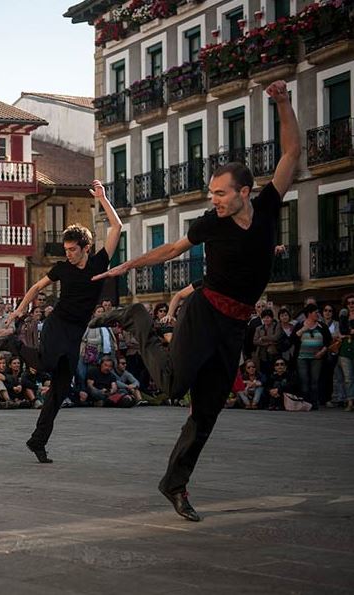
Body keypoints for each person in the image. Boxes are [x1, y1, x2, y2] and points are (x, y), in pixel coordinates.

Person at [89, 81, 299, 522]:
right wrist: (127, 267)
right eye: (211, 193)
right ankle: (136, 316)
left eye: (220, 193)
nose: (214, 199)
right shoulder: (211, 222)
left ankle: (175, 484)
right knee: (171, 387)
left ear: (245, 191)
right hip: (204, 313)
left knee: (207, 412)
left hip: (234, 328)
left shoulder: (267, 207)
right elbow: (171, 250)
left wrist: (283, 103)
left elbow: (291, 155)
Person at [7, 179, 122, 464]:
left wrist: (103, 199)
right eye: (66, 249)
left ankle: (38, 441)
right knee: (47, 362)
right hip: (58, 324)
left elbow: (116, 227)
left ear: (86, 247)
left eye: (72, 249)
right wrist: (20, 309)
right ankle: (13, 344)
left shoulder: (98, 263)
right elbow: (36, 288)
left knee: (59, 390)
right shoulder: (62, 269)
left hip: (76, 332)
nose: (68, 253)